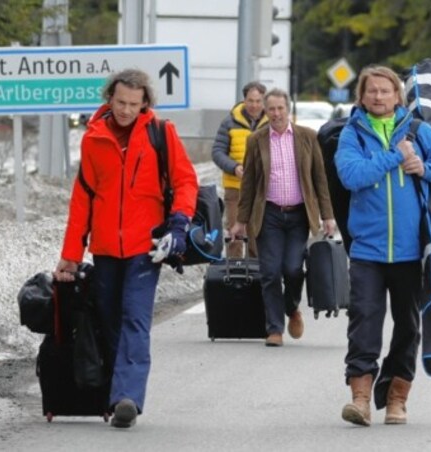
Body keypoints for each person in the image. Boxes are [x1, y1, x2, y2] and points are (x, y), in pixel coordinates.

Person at [53, 68, 199, 429]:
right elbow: (83, 198)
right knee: (109, 318)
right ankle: (116, 389)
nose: (125, 110)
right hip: (104, 248)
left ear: (145, 103)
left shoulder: (160, 133)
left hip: (145, 246)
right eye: (120, 102)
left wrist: (179, 224)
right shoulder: (93, 138)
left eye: (134, 104)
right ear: (109, 98)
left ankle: (127, 398)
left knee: (135, 317)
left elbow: (185, 181)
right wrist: (71, 255)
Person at [334, 65, 431, 426]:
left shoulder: (418, 130)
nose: (378, 97)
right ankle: (360, 399)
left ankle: (396, 398)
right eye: (371, 91)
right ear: (362, 96)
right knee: (364, 324)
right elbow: (352, 176)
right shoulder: (352, 134)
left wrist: (422, 167)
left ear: (397, 96)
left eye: (384, 91)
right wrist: (394, 156)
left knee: (408, 327)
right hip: (367, 252)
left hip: (409, 251)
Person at [230, 88, 337, 347]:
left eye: (280, 108)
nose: (276, 114)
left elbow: (320, 179)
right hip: (269, 215)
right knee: (269, 272)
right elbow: (250, 184)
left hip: (299, 214)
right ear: (265, 112)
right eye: (271, 109)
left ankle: (292, 309)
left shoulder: (307, 137)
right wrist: (240, 220)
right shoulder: (257, 140)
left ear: (288, 109)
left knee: (291, 269)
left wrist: (328, 216)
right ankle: (274, 329)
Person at [212, 81, 268, 258]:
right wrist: (234, 167)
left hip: (261, 189)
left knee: (256, 233)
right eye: (250, 100)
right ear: (244, 100)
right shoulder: (229, 122)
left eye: (258, 101)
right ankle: (235, 272)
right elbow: (217, 152)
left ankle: (256, 273)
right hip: (235, 188)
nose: (254, 105)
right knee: (235, 233)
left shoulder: (271, 123)